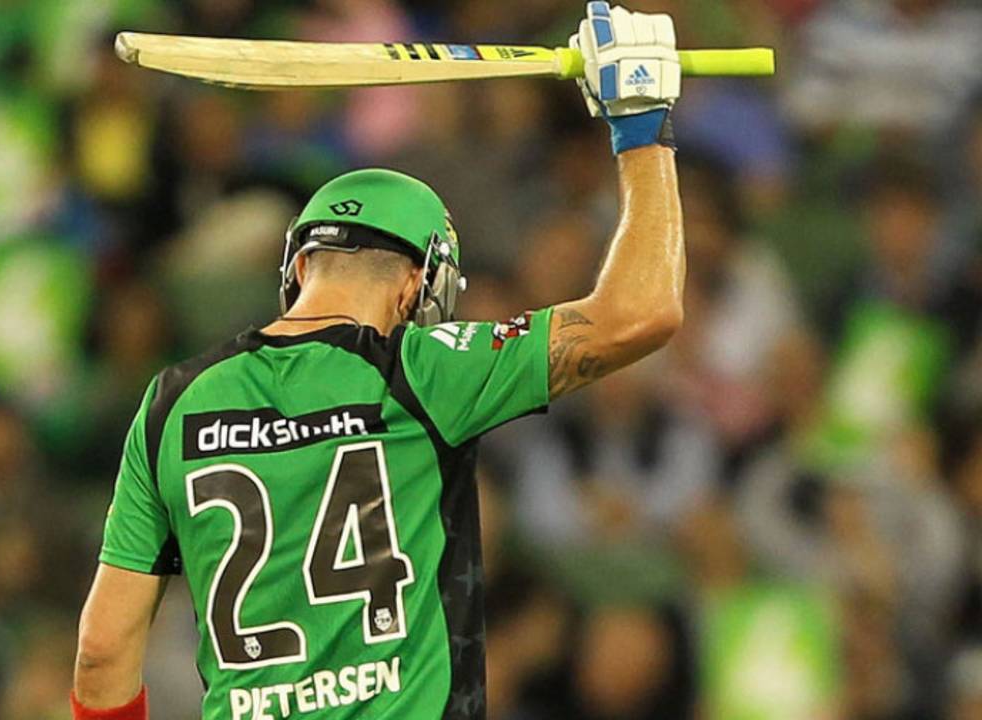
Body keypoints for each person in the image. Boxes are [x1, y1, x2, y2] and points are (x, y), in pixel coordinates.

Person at [71, 4, 686, 719]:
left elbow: (102, 651)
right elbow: (643, 313)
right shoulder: (426, 368)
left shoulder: (173, 403)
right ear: (418, 283)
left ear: (298, 266)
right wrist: (642, 125)